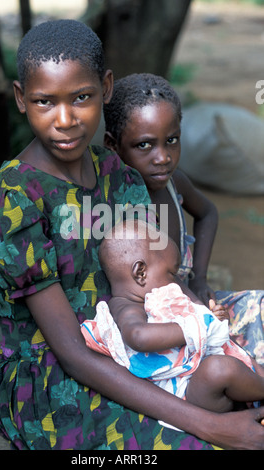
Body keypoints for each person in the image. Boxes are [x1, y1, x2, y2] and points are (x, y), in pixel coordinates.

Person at [0, 20, 264, 450]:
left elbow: (156, 283)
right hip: (55, 382)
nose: (65, 119)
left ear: (106, 88)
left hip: (140, 353)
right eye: (44, 102)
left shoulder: (120, 178)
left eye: (82, 98)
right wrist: (208, 425)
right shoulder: (14, 200)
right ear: (20, 98)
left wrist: (201, 321)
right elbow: (71, 352)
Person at [103, 72, 264, 366]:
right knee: (231, 365)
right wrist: (199, 314)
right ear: (113, 145)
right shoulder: (115, 206)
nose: (162, 157)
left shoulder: (175, 184)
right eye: (144, 145)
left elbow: (208, 213)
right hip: (160, 332)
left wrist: (199, 278)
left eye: (171, 140)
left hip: (194, 308)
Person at [81, 220, 264, 423]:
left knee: (238, 353)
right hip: (190, 393)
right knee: (218, 369)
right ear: (141, 273)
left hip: (211, 379)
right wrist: (195, 325)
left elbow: (204, 319)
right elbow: (138, 336)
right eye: (172, 273)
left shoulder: (162, 293)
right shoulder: (126, 307)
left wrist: (215, 318)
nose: (176, 282)